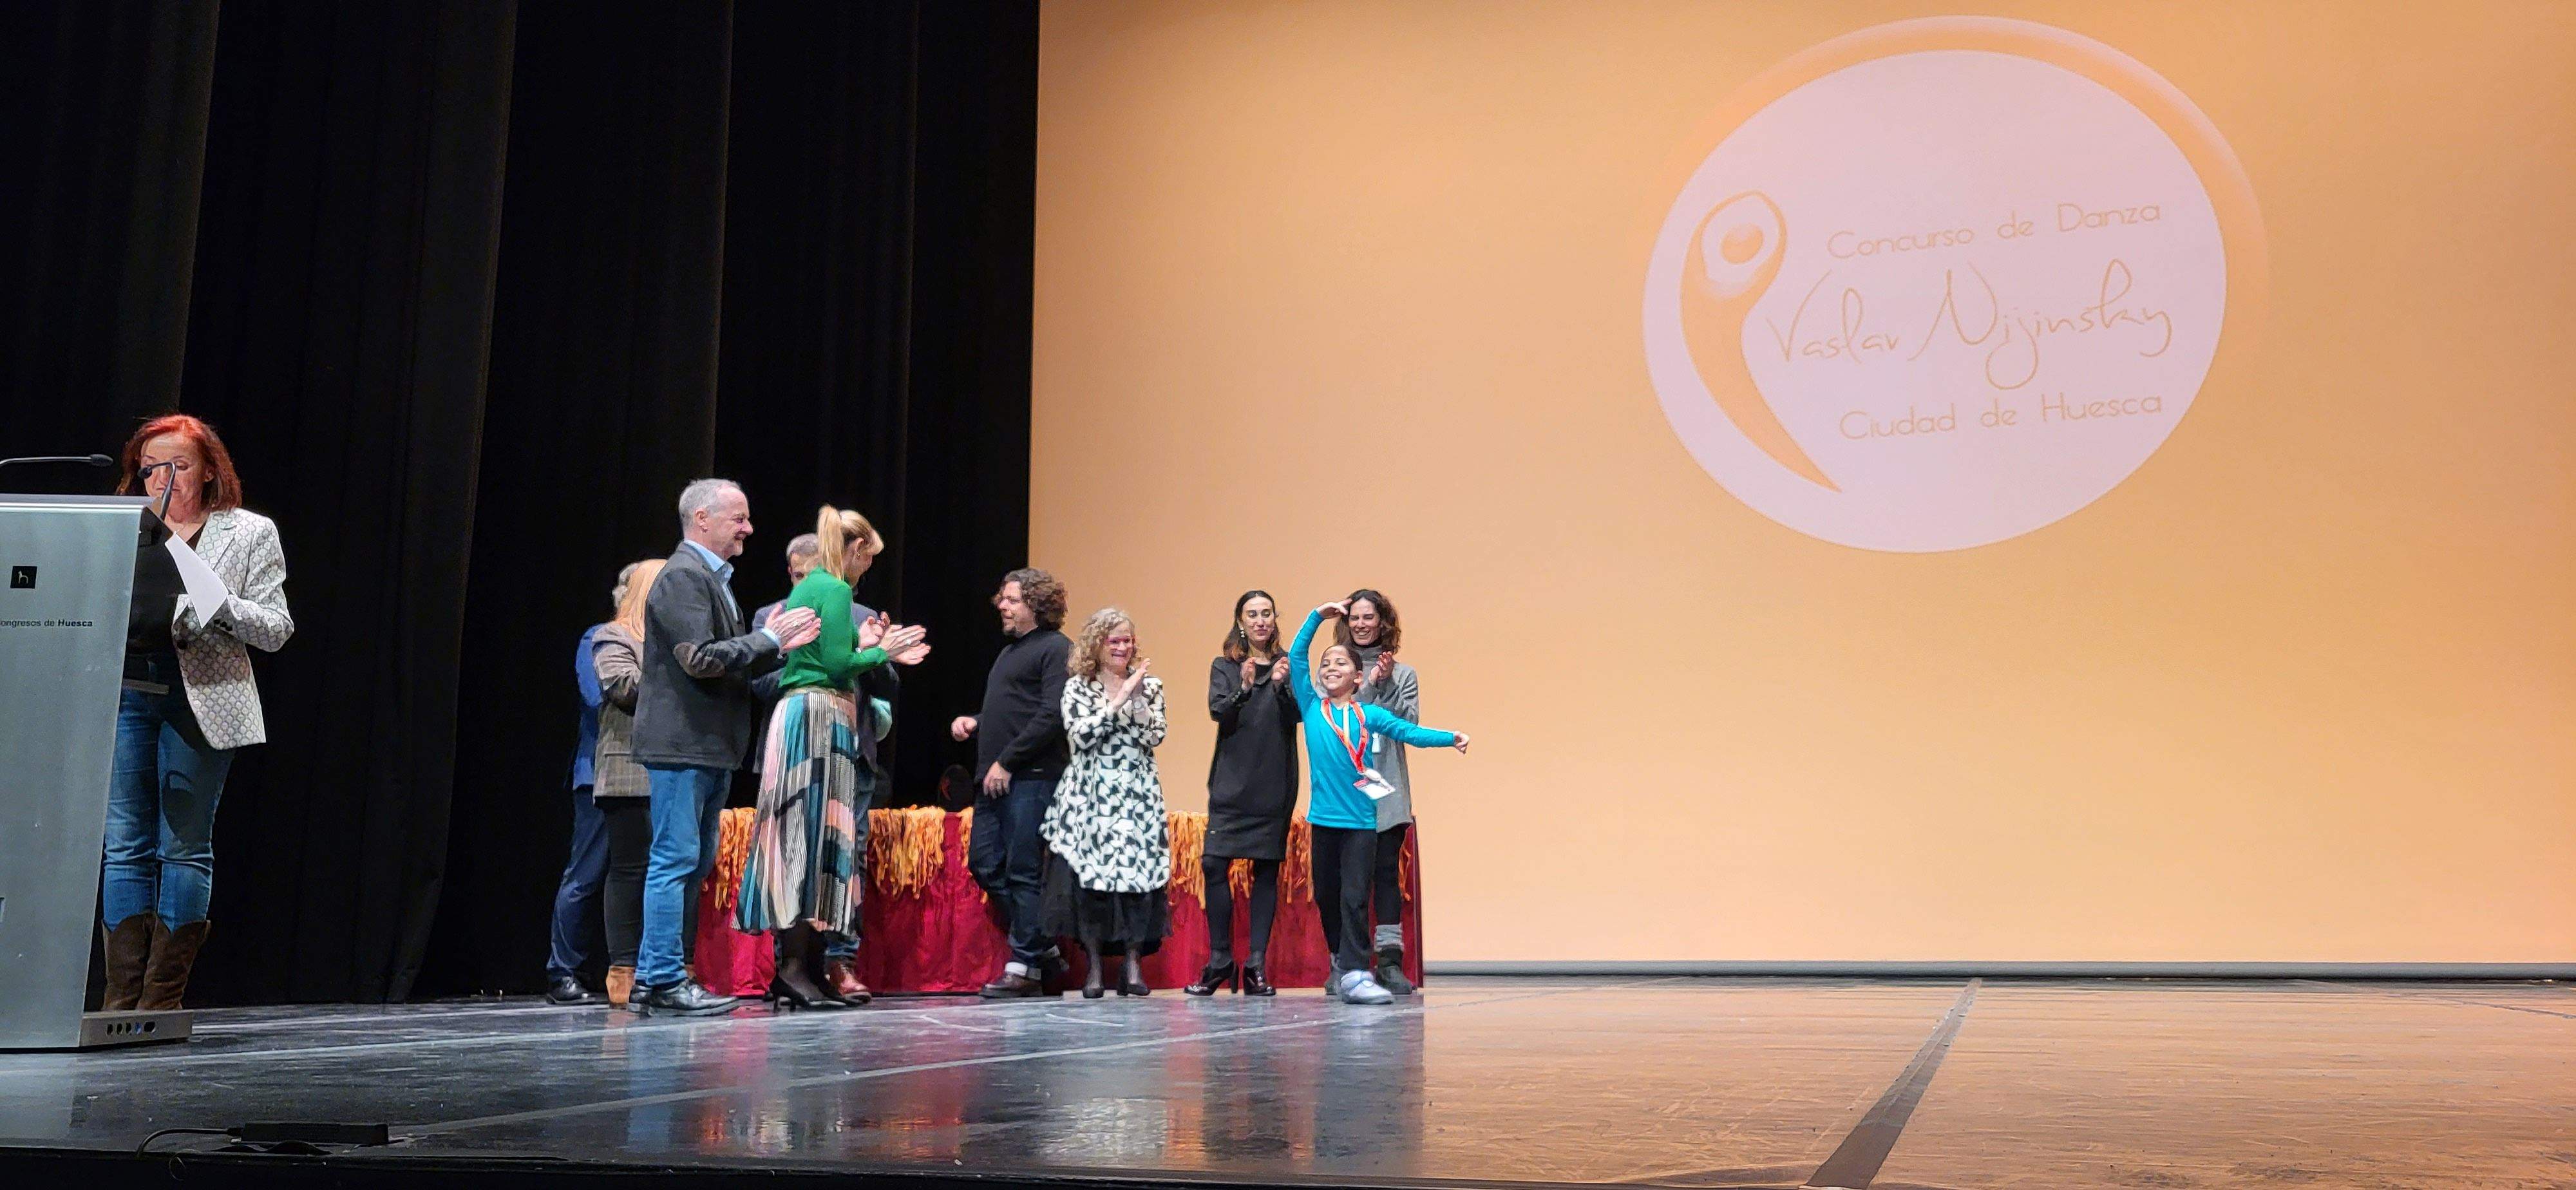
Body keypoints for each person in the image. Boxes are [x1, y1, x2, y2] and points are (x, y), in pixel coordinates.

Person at [99, 414, 294, 1012]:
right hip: (127, 689)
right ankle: (119, 1002)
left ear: (209, 470)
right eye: (151, 468)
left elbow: (276, 629)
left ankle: (160, 1002)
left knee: (182, 845)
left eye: (179, 465)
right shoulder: (118, 527)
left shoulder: (248, 531)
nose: (165, 478)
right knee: (123, 845)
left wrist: (216, 601)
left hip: (203, 696)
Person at [629, 478, 820, 1016]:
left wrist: (782, 651)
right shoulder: (684, 576)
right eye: (738, 518)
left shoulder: (711, 579)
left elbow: (731, 663)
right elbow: (699, 658)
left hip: (707, 746)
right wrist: (770, 639)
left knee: (691, 862)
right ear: (702, 519)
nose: (748, 529)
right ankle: (665, 978)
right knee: (675, 860)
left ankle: (653, 976)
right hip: (683, 744)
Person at [735, 507, 928, 1008]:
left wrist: (868, 646)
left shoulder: (811, 588)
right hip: (819, 716)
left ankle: (808, 968)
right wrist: (883, 652)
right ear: (856, 550)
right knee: (811, 840)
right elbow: (839, 665)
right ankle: (794, 969)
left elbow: (826, 654)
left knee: (813, 840)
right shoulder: (836, 589)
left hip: (811, 714)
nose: (868, 570)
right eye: (869, 559)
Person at [1288, 600, 1469, 1005]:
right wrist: (1317, 617)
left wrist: (1450, 738)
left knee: (1355, 898)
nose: (1330, 667)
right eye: (1326, 663)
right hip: (1324, 822)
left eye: (1340, 663)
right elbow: (1297, 655)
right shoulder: (1312, 706)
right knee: (1328, 897)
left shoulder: (1368, 714)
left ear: (1358, 677)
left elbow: (1410, 732)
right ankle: (1341, 962)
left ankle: (1357, 973)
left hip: (1361, 823)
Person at [952, 568, 1073, 997]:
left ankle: (1025, 966)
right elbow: (1014, 711)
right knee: (986, 865)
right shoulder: (1009, 652)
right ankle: (1043, 951)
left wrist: (1007, 761)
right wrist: (978, 722)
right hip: (998, 778)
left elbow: (1052, 714)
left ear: (1036, 605)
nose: (1001, 606)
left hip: (1031, 778)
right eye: (1002, 599)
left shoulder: (1056, 648)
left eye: (1011, 599)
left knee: (1023, 870)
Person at [1044, 609, 1172, 998]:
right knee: (1091, 885)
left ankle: (1133, 966)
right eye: (1113, 640)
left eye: (1127, 640)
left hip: (1137, 796)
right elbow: (1081, 736)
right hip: (1091, 795)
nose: (1122, 647)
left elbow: (1155, 737)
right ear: (1097, 644)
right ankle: (1095, 969)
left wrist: (1138, 699)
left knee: (1139, 882)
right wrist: (1117, 701)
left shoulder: (1149, 685)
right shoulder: (1078, 688)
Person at [1189, 590, 1296, 997]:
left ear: (1274, 619)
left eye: (1267, 613)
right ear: (1241, 621)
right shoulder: (1226, 666)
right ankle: (1220, 960)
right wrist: (1245, 688)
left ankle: (1255, 966)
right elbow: (1219, 711)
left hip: (1274, 781)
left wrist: (1282, 686)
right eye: (1252, 614)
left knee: (1266, 870)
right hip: (1232, 781)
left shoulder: (1288, 664)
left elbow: (1299, 714)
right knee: (1214, 864)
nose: (1260, 621)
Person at [1336, 588, 1423, 994]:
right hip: (1346, 788)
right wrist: (1370, 686)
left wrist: (1386, 686)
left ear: (1382, 622)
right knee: (1348, 880)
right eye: (1354, 618)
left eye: (1368, 617)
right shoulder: (1336, 669)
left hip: (1386, 785)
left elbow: (1408, 725)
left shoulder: (1404, 674)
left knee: (1386, 874)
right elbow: (1343, 715)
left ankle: (1389, 962)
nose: (1361, 625)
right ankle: (1346, 962)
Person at [591, 559, 664, 1011]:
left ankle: (671, 967)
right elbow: (624, 688)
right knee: (631, 868)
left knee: (675, 869)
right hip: (627, 771)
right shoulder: (613, 636)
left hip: (673, 768)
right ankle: (623, 968)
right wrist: (674, 662)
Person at [543, 586, 619, 1006]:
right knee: (586, 875)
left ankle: (627, 970)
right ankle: (564, 971)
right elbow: (596, 698)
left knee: (634, 878)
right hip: (599, 775)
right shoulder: (598, 638)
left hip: (651, 777)